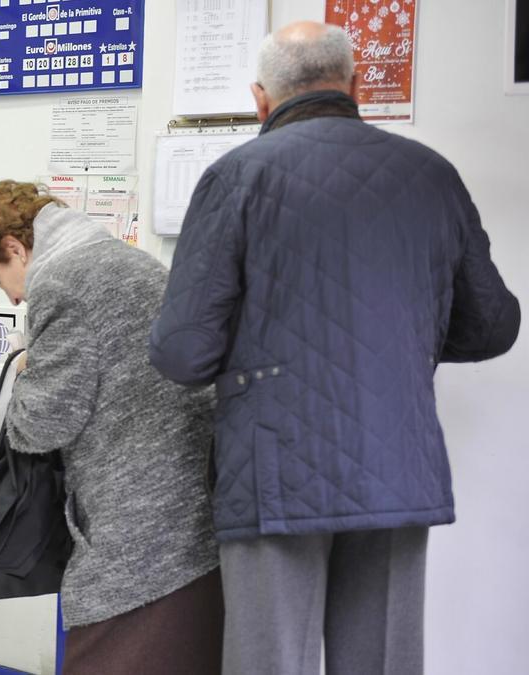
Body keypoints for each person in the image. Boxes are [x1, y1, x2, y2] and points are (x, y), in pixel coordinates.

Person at [149, 21, 521, 675]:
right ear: (354, 85)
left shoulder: (235, 178)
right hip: (396, 463)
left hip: (272, 470)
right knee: (380, 661)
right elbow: (493, 323)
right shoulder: (430, 174)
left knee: (271, 661)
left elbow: (182, 351)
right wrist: (404, 345)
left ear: (261, 98)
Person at [0, 180, 223, 674]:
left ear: (16, 250)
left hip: (137, 523)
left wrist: (24, 371)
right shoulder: (128, 260)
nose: (13, 299)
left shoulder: (61, 281)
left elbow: (40, 426)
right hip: (190, 504)